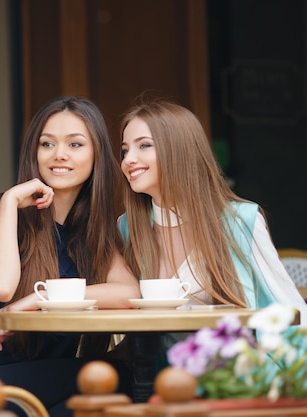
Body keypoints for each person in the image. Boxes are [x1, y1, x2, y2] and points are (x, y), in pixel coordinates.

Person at [0, 96, 140, 416]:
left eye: (76, 144)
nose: (59, 155)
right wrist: (11, 200)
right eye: (47, 144)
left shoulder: (93, 236)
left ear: (97, 155)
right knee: (117, 378)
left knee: (93, 405)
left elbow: (128, 293)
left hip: (32, 383)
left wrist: (39, 299)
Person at [118, 96, 307, 323]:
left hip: (232, 357)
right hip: (155, 360)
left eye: (144, 145)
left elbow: (292, 310)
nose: (129, 159)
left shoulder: (240, 221)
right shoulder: (127, 227)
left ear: (179, 149)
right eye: (125, 150)